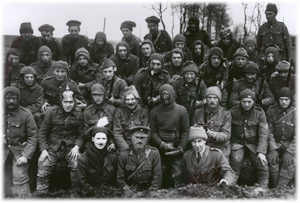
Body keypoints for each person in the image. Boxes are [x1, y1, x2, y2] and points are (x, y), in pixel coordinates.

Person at [36, 87, 84, 194]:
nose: (68, 105)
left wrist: (77, 147)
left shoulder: (78, 114)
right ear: (60, 101)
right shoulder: (52, 112)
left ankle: (76, 194)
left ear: (74, 102)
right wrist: (44, 150)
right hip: (52, 148)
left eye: (71, 102)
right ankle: (41, 195)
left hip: (70, 148)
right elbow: (42, 132)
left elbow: (81, 134)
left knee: (77, 164)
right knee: (44, 166)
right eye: (65, 102)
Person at [150, 84, 189, 188]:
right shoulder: (154, 111)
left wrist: (180, 148)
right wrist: (163, 145)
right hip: (160, 148)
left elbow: (185, 131)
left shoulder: (182, 110)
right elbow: (153, 132)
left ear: (173, 95)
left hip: (177, 148)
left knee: (178, 174)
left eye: (167, 94)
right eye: (162, 94)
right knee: (158, 173)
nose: (164, 97)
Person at [230, 89, 269, 187]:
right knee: (235, 161)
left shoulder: (259, 113)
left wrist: (261, 152)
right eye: (244, 102)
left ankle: (263, 189)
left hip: (253, 144)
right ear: (240, 101)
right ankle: (231, 186)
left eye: (249, 102)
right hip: (237, 143)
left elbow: (263, 134)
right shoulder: (233, 112)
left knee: (262, 163)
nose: (246, 105)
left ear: (254, 102)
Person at [4, 86, 37, 197]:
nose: (11, 101)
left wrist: (26, 156)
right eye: (8, 98)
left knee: (19, 178)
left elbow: (33, 136)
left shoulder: (26, 114)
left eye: (14, 98)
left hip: (19, 151)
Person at [266, 87, 296, 188]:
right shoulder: (271, 111)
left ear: (290, 100)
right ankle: (275, 187)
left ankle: (280, 188)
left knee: (290, 162)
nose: (283, 102)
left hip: (289, 144)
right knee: (272, 160)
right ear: (278, 99)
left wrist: (290, 151)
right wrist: (273, 148)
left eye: (286, 100)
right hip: (276, 143)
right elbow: (268, 132)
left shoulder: (296, 113)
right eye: (281, 99)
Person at [117, 126, 162, 190]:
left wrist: (152, 190)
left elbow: (157, 177)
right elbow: (120, 179)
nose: (140, 140)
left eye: (143, 138)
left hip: (148, 189)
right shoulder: (124, 154)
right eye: (137, 137)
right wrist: (127, 190)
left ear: (146, 139)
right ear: (132, 138)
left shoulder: (154, 153)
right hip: (130, 190)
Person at [192, 86, 231, 159]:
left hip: (221, 148)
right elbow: (194, 132)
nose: (212, 100)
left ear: (219, 99)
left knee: (223, 168)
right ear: (206, 99)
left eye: (215, 98)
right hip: (203, 146)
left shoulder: (225, 113)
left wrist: (213, 134)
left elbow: (226, 135)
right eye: (209, 97)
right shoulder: (198, 112)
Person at [77, 126, 118, 194]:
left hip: (109, 192)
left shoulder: (113, 156)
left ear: (107, 139)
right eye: (98, 138)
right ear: (93, 139)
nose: (101, 142)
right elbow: (82, 182)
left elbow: (117, 178)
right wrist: (95, 193)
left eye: (103, 138)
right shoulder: (83, 159)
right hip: (90, 194)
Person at [113, 86, 149, 151]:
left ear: (137, 100)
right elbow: (117, 133)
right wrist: (126, 149)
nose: (130, 102)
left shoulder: (144, 111)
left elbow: (146, 133)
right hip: (124, 146)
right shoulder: (120, 111)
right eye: (127, 99)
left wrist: (137, 148)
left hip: (140, 145)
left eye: (132, 99)